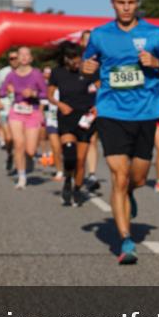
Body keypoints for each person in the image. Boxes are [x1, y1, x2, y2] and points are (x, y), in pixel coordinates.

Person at [82, 0, 159, 264]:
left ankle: (130, 195)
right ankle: (126, 241)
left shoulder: (155, 34)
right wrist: (87, 69)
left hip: (146, 113)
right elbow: (89, 67)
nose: (126, 8)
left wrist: (157, 64)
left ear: (138, 3)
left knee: (137, 178)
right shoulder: (99, 35)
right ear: (112, 3)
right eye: (121, 2)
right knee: (119, 177)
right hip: (111, 112)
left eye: (131, 2)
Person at [49, 41, 99, 206]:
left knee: (80, 159)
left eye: (79, 58)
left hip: (85, 119)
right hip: (66, 117)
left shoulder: (88, 70)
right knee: (69, 154)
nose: (77, 62)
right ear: (66, 59)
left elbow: (101, 89)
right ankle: (67, 180)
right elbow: (50, 95)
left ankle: (77, 188)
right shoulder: (57, 72)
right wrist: (61, 105)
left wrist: (96, 107)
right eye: (73, 59)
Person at [0, 46, 47, 189]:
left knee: (31, 150)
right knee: (18, 144)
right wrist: (8, 90)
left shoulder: (37, 74)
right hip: (16, 111)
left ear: (31, 58)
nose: (24, 57)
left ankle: (29, 159)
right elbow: (1, 92)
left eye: (27, 54)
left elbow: (45, 94)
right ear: (17, 58)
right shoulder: (11, 75)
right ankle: (21, 176)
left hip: (33, 112)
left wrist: (33, 94)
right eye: (21, 55)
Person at [80, 29, 102, 194]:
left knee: (92, 141)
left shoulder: (102, 63)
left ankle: (92, 174)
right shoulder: (75, 63)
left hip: (93, 108)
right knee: (77, 144)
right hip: (76, 108)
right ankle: (75, 173)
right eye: (87, 41)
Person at [0, 49, 19, 173]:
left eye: (16, 58)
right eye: (11, 59)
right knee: (8, 138)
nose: (14, 61)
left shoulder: (26, 72)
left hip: (20, 108)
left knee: (18, 138)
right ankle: (10, 155)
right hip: (5, 106)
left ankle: (19, 163)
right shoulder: (2, 73)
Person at [42, 66, 64, 181]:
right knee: (55, 147)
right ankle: (59, 171)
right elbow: (42, 102)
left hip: (66, 120)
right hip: (52, 120)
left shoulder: (67, 86)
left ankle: (69, 170)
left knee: (65, 148)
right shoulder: (49, 88)